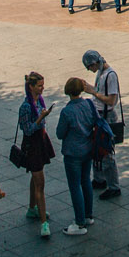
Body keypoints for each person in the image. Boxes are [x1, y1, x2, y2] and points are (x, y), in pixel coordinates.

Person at [55, 76, 99, 235]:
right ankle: (88, 215)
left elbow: (60, 134)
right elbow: (96, 121)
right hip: (88, 149)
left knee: (75, 186)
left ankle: (79, 222)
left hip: (72, 153)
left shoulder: (67, 111)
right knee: (86, 180)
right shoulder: (88, 104)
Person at [17, 72, 56, 239]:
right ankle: (43, 222)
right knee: (40, 182)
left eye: (43, 85)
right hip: (32, 144)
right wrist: (40, 118)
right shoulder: (26, 107)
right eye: (39, 85)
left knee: (36, 176)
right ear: (31, 86)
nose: (42, 88)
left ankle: (32, 208)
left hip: (40, 141)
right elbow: (26, 129)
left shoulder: (39, 100)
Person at [82, 50, 123, 199]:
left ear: (94, 63)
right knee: (97, 149)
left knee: (107, 153)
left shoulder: (110, 75)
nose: (90, 71)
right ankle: (99, 179)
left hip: (107, 116)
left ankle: (113, 186)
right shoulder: (101, 73)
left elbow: (111, 100)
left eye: (89, 67)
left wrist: (93, 92)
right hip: (99, 115)